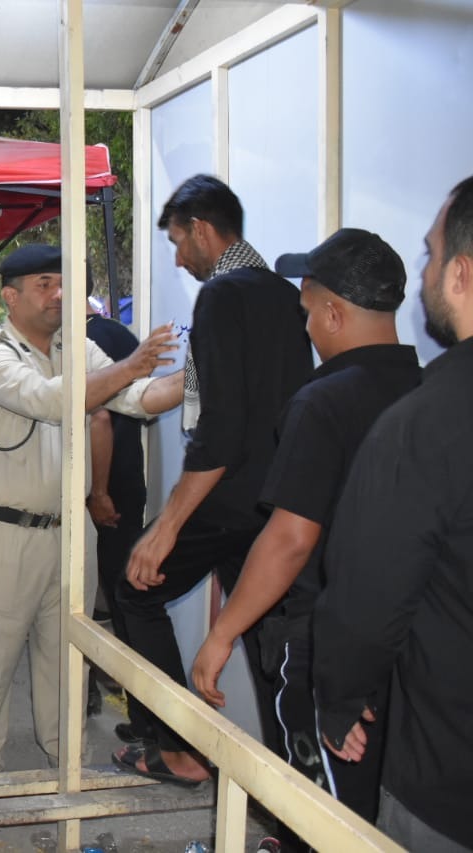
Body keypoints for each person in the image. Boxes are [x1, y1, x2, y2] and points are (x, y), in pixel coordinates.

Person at [187, 228, 419, 831]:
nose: (307, 327)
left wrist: (222, 634)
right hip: (406, 648)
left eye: (308, 312)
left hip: (327, 647)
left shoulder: (322, 403)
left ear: (334, 314)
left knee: (318, 814)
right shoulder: (426, 391)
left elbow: (290, 540)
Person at [114, 175, 312, 786]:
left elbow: (222, 428)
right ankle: (293, 792)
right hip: (277, 500)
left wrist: (168, 526)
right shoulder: (284, 293)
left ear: (201, 230)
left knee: (134, 586)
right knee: (267, 644)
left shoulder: (224, 293)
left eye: (178, 242)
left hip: (228, 499)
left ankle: (182, 748)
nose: (178, 258)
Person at [0, 244, 183, 774]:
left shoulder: (77, 347)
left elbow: (140, 398)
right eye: (44, 284)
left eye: (63, 283)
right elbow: (50, 399)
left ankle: (68, 761)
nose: (59, 293)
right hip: (6, 532)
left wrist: (201, 375)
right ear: (10, 296)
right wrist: (130, 365)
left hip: (72, 529)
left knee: (68, 656)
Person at [314, 178, 473, 852]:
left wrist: (340, 697)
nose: (425, 272)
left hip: (447, 783)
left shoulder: (425, 422)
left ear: (462, 274)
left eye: (432, 254)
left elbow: (367, 597)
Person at [82, 267, 149, 725]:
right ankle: (100, 688)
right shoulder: (116, 336)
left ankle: (136, 706)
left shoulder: (101, 339)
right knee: (103, 592)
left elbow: (106, 417)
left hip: (108, 488)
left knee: (112, 592)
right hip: (99, 487)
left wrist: (100, 492)